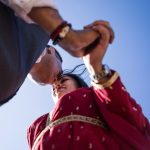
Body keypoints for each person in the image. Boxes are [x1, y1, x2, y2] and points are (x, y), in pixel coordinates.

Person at [27, 21, 150, 149]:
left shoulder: (94, 98)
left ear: (80, 86)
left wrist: (95, 67)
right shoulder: (36, 126)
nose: (56, 85)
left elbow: (122, 106)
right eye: (53, 88)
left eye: (63, 80)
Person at [0, 0, 100, 105]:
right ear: (51, 50)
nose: (55, 84)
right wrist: (66, 35)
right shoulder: (42, 27)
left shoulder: (9, 91)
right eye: (61, 77)